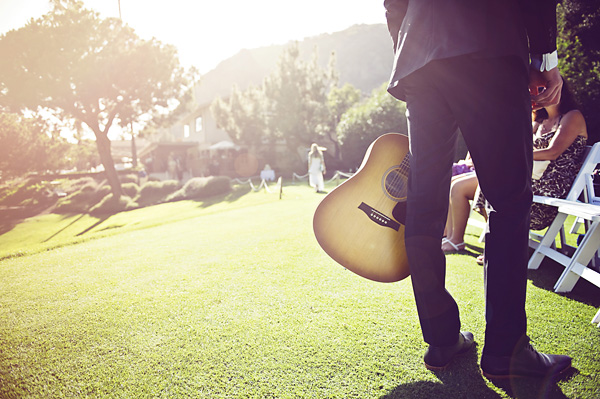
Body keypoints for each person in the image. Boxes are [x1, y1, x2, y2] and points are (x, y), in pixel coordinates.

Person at [384, 0, 571, 379]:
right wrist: (545, 60)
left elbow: (393, 3)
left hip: (419, 58)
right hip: (489, 44)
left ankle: (441, 339)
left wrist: (411, 45)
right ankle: (506, 351)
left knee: (424, 201)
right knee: (508, 199)